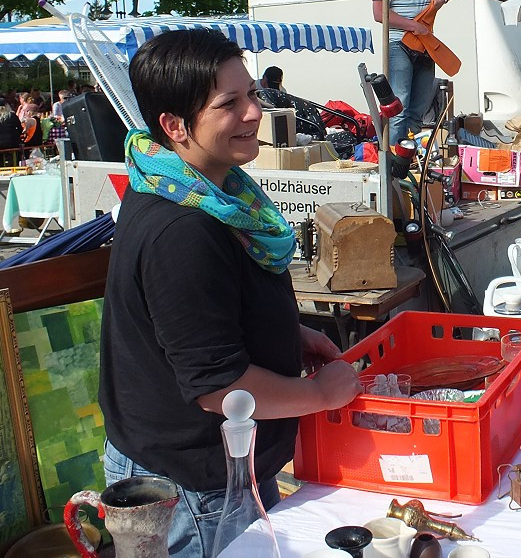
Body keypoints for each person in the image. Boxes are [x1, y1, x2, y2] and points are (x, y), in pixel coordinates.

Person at [99, 28, 361, 558]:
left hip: (213, 469)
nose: (254, 113)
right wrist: (319, 396)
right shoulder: (183, 228)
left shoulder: (190, 186)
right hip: (195, 487)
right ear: (174, 126)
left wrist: (291, 332)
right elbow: (219, 386)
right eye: (229, 103)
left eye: (253, 95)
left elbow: (197, 321)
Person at [372, 0, 470, 142]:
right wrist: (412, 26)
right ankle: (393, 163)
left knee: (418, 109)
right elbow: (379, 14)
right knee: (400, 106)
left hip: (424, 44)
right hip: (399, 44)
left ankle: (407, 160)